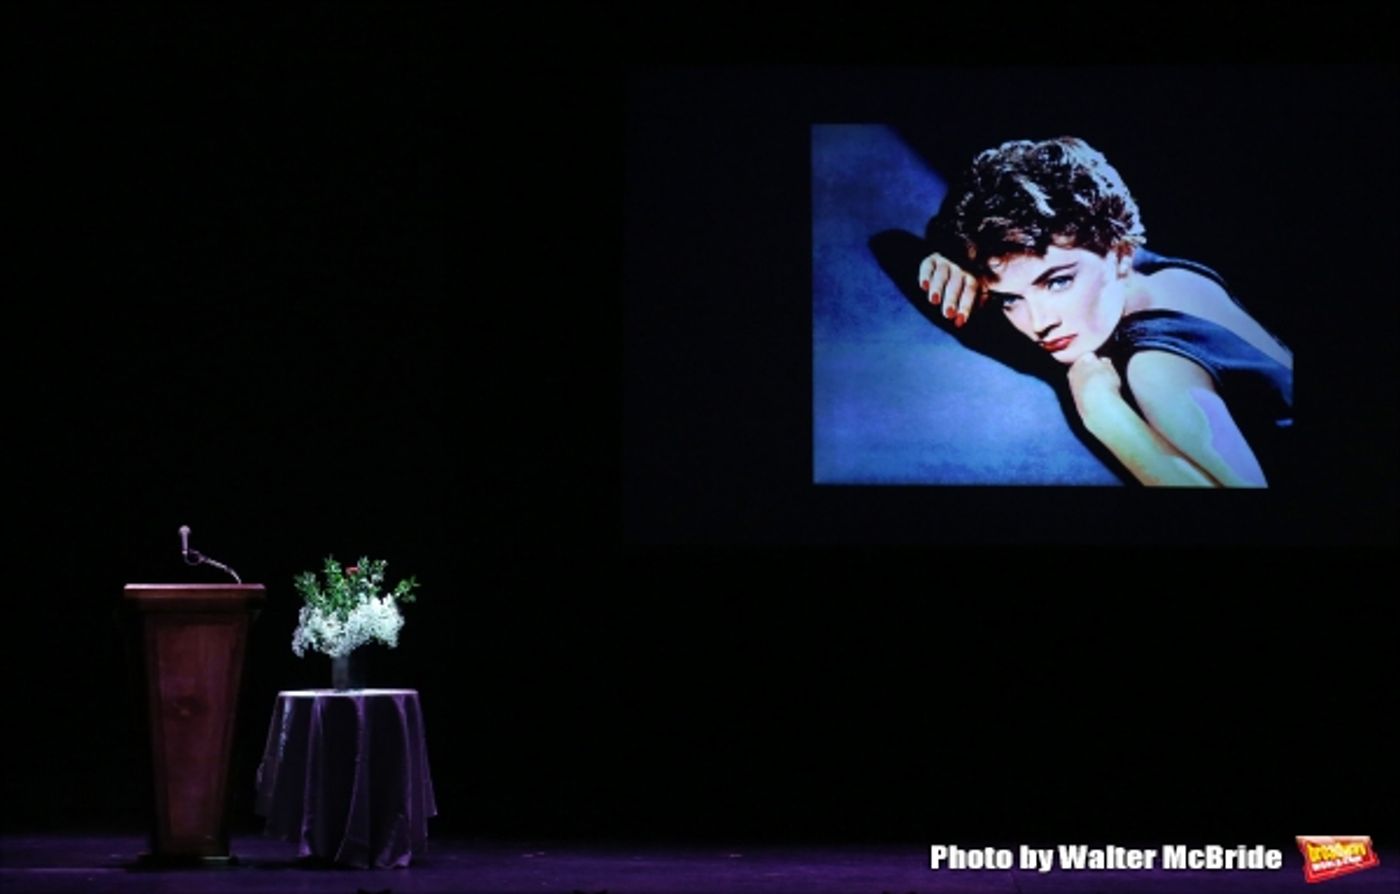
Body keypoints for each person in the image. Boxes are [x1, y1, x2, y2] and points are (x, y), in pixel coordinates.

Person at [917, 137, 1293, 487]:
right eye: (1010, 299)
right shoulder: (1157, 274)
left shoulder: (1156, 371)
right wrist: (958, 257)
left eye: (1058, 282)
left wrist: (1106, 417)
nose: (1040, 323)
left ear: (1120, 252)